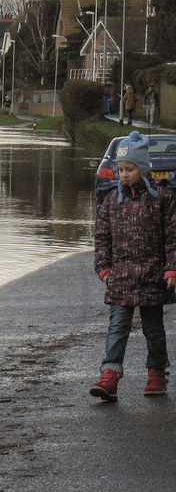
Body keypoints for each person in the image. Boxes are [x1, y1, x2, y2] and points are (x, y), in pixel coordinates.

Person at [91, 130, 176, 401]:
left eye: (130, 169)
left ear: (142, 168)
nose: (124, 174)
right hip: (121, 277)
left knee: (153, 329)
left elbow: (172, 236)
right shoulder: (112, 202)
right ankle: (110, 374)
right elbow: (102, 237)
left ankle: (156, 371)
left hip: (153, 276)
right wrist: (103, 268)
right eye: (121, 169)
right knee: (117, 327)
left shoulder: (162, 199)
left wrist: (171, 267)